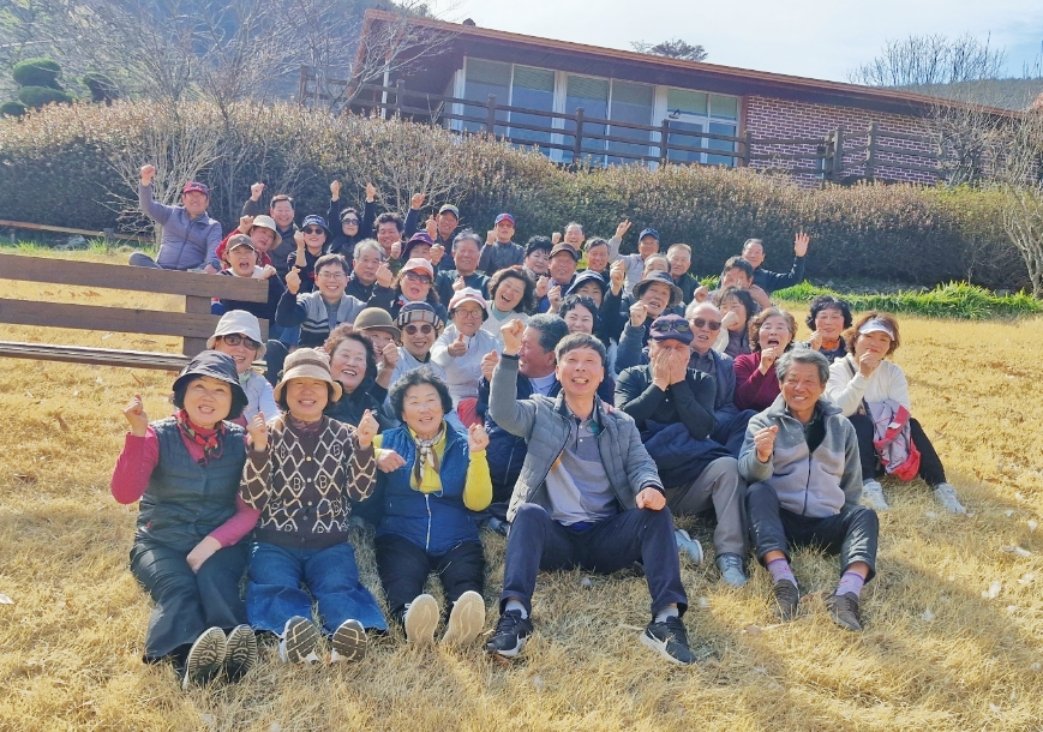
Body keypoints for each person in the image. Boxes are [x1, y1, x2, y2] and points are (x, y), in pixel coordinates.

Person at [486, 324, 697, 665]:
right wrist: (510, 355)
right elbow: (503, 412)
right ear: (558, 370)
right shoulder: (540, 411)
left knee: (658, 514)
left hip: (605, 538)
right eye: (571, 360)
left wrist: (649, 487)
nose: (580, 368)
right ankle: (515, 616)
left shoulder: (620, 422)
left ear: (602, 374)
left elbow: (640, 463)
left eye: (589, 361)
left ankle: (666, 620)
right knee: (527, 513)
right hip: (554, 537)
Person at [110, 351, 257, 688]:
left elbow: (249, 510)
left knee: (216, 580)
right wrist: (137, 434)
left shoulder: (242, 442)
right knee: (179, 588)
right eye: (199, 386)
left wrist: (210, 545)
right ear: (183, 393)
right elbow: (125, 494)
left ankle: (232, 648)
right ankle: (186, 657)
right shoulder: (156, 435)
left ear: (232, 401)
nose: (208, 397)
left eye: (220, 390)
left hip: (219, 542)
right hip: (160, 541)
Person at [240, 348, 386, 663]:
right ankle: (293, 635)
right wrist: (260, 451)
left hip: (329, 541)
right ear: (285, 392)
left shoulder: (346, 435)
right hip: (275, 540)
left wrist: (364, 447)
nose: (307, 392)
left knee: (339, 586)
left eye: (317, 384)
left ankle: (347, 635)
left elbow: (360, 492)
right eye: (298, 384)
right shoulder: (267, 433)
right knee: (274, 585)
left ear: (329, 393)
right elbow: (253, 497)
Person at [739, 349, 878, 631]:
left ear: (823, 386)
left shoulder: (842, 427)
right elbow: (748, 473)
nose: (799, 388)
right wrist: (762, 455)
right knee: (757, 493)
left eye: (809, 381)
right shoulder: (762, 422)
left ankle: (846, 595)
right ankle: (784, 583)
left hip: (825, 520)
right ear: (780, 383)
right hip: (781, 522)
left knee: (865, 515)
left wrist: (847, 522)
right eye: (792, 380)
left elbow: (851, 482)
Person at [615, 315, 748, 586]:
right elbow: (625, 422)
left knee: (728, 467)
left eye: (679, 348)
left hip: (689, 479)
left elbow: (702, 428)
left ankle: (730, 555)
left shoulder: (702, 381)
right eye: (665, 347)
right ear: (650, 348)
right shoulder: (631, 376)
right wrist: (658, 385)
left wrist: (678, 384)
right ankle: (671, 537)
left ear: (689, 351)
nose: (672, 354)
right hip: (641, 482)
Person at [371, 370, 492, 646]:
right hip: (401, 532)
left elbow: (478, 502)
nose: (424, 409)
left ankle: (461, 624)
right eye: (414, 402)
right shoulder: (388, 440)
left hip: (456, 534)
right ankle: (409, 620)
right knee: (401, 575)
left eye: (430, 400)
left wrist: (478, 455)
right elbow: (352, 450)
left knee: (465, 578)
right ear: (403, 413)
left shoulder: (463, 444)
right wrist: (375, 454)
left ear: (443, 406)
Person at [825, 313, 966, 514]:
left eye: (883, 339)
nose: (875, 343)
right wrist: (863, 375)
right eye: (869, 336)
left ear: (890, 347)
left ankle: (941, 486)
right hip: (849, 451)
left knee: (912, 425)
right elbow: (841, 410)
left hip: (885, 446)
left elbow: (902, 413)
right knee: (858, 421)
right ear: (855, 339)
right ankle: (868, 486)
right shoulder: (837, 370)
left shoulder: (893, 372)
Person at [267, 253, 392, 384]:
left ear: (347, 280)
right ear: (316, 279)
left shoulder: (356, 306)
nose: (332, 280)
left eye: (337, 275)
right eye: (326, 275)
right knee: (273, 347)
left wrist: (383, 287)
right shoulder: (308, 301)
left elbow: (376, 316)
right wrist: (291, 291)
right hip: (310, 360)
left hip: (344, 364)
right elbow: (284, 319)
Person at [130, 165, 222, 272]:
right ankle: (163, 278)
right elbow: (147, 207)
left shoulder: (213, 226)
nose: (195, 199)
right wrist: (145, 181)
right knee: (136, 257)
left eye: (200, 196)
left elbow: (214, 252)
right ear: (183, 199)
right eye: (191, 195)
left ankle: (166, 280)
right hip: (161, 269)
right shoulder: (171, 213)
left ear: (207, 202)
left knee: (209, 268)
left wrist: (212, 265)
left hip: (189, 274)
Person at [431, 288, 502, 422]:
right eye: (463, 311)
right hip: (450, 397)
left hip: (483, 396)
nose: (469, 317)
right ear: (453, 316)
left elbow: (501, 371)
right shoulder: (445, 336)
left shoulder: (490, 340)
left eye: (475, 312)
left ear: (483, 317)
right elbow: (434, 359)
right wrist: (449, 351)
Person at [207, 310, 277, 424]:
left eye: (250, 343)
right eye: (232, 340)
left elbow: (272, 418)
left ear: (255, 353)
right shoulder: (196, 377)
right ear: (217, 343)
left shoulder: (260, 385)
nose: (241, 348)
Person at [324, 325, 392, 430]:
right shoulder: (316, 399)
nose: (352, 363)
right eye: (345, 355)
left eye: (359, 358)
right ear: (329, 359)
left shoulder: (370, 405)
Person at [733, 307, 798, 412]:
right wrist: (762, 369)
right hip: (750, 419)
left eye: (780, 328)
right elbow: (741, 402)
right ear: (758, 336)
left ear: (789, 337)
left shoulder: (796, 366)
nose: (773, 332)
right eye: (767, 327)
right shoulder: (743, 362)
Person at [211, 234, 284, 322]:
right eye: (237, 252)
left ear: (256, 255)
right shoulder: (224, 276)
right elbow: (235, 307)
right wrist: (260, 283)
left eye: (248, 252)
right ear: (228, 257)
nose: (243, 256)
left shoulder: (268, 275)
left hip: (265, 328)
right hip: (233, 327)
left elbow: (283, 306)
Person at [616, 271, 684, 352]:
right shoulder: (624, 319)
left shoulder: (670, 331)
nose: (658, 296)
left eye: (664, 293)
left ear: (668, 302)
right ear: (641, 294)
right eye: (653, 290)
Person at [242, 185, 298, 279]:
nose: (284, 214)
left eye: (287, 210)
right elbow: (248, 220)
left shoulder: (300, 236)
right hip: (261, 275)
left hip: (287, 279)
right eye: (280, 210)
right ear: (272, 212)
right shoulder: (265, 227)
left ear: (293, 213)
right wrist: (254, 198)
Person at [368, 257, 448, 322]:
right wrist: (382, 288)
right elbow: (372, 320)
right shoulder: (387, 299)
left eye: (424, 279)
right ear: (401, 279)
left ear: (429, 286)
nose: (417, 282)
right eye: (411, 276)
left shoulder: (438, 311)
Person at [742, 232, 810, 294]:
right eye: (749, 251)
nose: (753, 255)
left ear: (763, 257)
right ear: (743, 254)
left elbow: (793, 278)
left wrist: (800, 257)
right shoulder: (735, 271)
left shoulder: (767, 277)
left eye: (757, 252)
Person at [435, 230, 489, 304]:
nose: (466, 255)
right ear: (453, 254)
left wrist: (462, 294)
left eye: (471, 251)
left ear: (479, 255)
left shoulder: (486, 283)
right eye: (462, 251)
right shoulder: (443, 277)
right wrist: (433, 262)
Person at [327, 180, 377, 260]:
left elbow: (368, 218)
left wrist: (370, 198)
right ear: (341, 224)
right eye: (347, 221)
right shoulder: (336, 236)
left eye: (355, 222)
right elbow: (333, 217)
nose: (351, 224)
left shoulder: (364, 238)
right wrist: (335, 195)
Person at [482, 267, 534, 340]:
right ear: (497, 285)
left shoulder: (526, 324)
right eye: (507, 285)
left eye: (516, 290)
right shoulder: (477, 308)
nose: (509, 292)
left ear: (523, 297)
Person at [285, 215, 333, 293]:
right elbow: (300, 277)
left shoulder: (330, 259)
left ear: (325, 237)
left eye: (318, 231)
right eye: (309, 231)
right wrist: (300, 247)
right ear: (303, 236)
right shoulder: (293, 256)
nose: (313, 234)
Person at [799, 295, 853, 363]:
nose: (828, 322)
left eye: (835, 317)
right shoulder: (800, 349)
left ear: (845, 321)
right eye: (823, 317)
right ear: (814, 321)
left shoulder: (853, 350)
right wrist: (813, 350)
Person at [214, 214, 279, 269]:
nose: (266, 238)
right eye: (263, 232)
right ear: (252, 231)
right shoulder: (237, 246)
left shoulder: (266, 261)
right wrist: (241, 230)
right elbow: (220, 252)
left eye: (270, 236)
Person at [713, 287, 757, 358]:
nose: (729, 312)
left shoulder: (756, 330)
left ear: (747, 309)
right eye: (724, 307)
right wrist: (722, 327)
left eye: (734, 306)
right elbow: (712, 356)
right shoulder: (712, 331)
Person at [538, 242, 580, 313]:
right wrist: (537, 296)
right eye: (559, 260)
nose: (563, 265)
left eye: (568, 261)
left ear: (575, 266)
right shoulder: (540, 288)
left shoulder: (580, 291)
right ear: (549, 263)